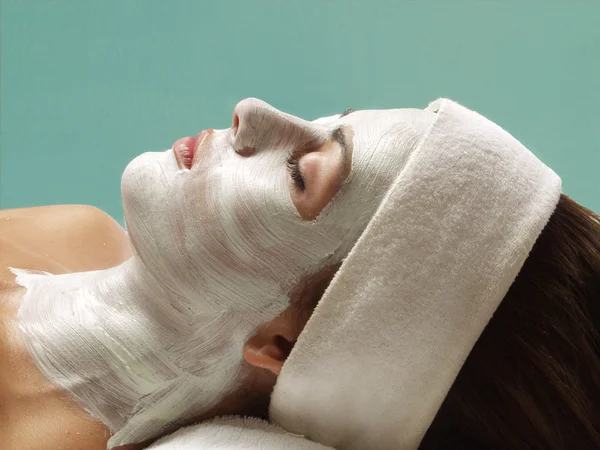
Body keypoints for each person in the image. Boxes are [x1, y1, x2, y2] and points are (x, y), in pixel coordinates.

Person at [0, 98, 598, 450]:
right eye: (332, 114)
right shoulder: (72, 231)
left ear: (282, 344)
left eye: (299, 175)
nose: (253, 112)